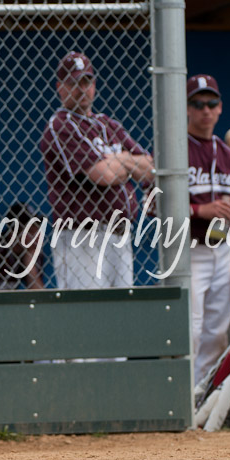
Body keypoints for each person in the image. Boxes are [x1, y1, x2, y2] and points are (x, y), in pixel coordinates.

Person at [40, 51, 155, 290]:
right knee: (86, 315)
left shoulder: (109, 124)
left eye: (86, 81)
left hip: (119, 233)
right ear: (60, 87)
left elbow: (149, 169)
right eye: (73, 83)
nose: (82, 89)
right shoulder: (60, 125)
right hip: (82, 235)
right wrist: (126, 163)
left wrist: (117, 160)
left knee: (120, 312)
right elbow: (103, 175)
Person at [185, 73, 230, 385]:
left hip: (222, 250)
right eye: (198, 104)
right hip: (188, 250)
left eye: (211, 103)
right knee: (190, 328)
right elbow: (156, 205)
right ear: (186, 108)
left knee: (216, 331)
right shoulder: (176, 148)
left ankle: (200, 394)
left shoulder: (227, 154)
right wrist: (200, 210)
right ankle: (180, 396)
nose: (205, 110)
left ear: (220, 108)